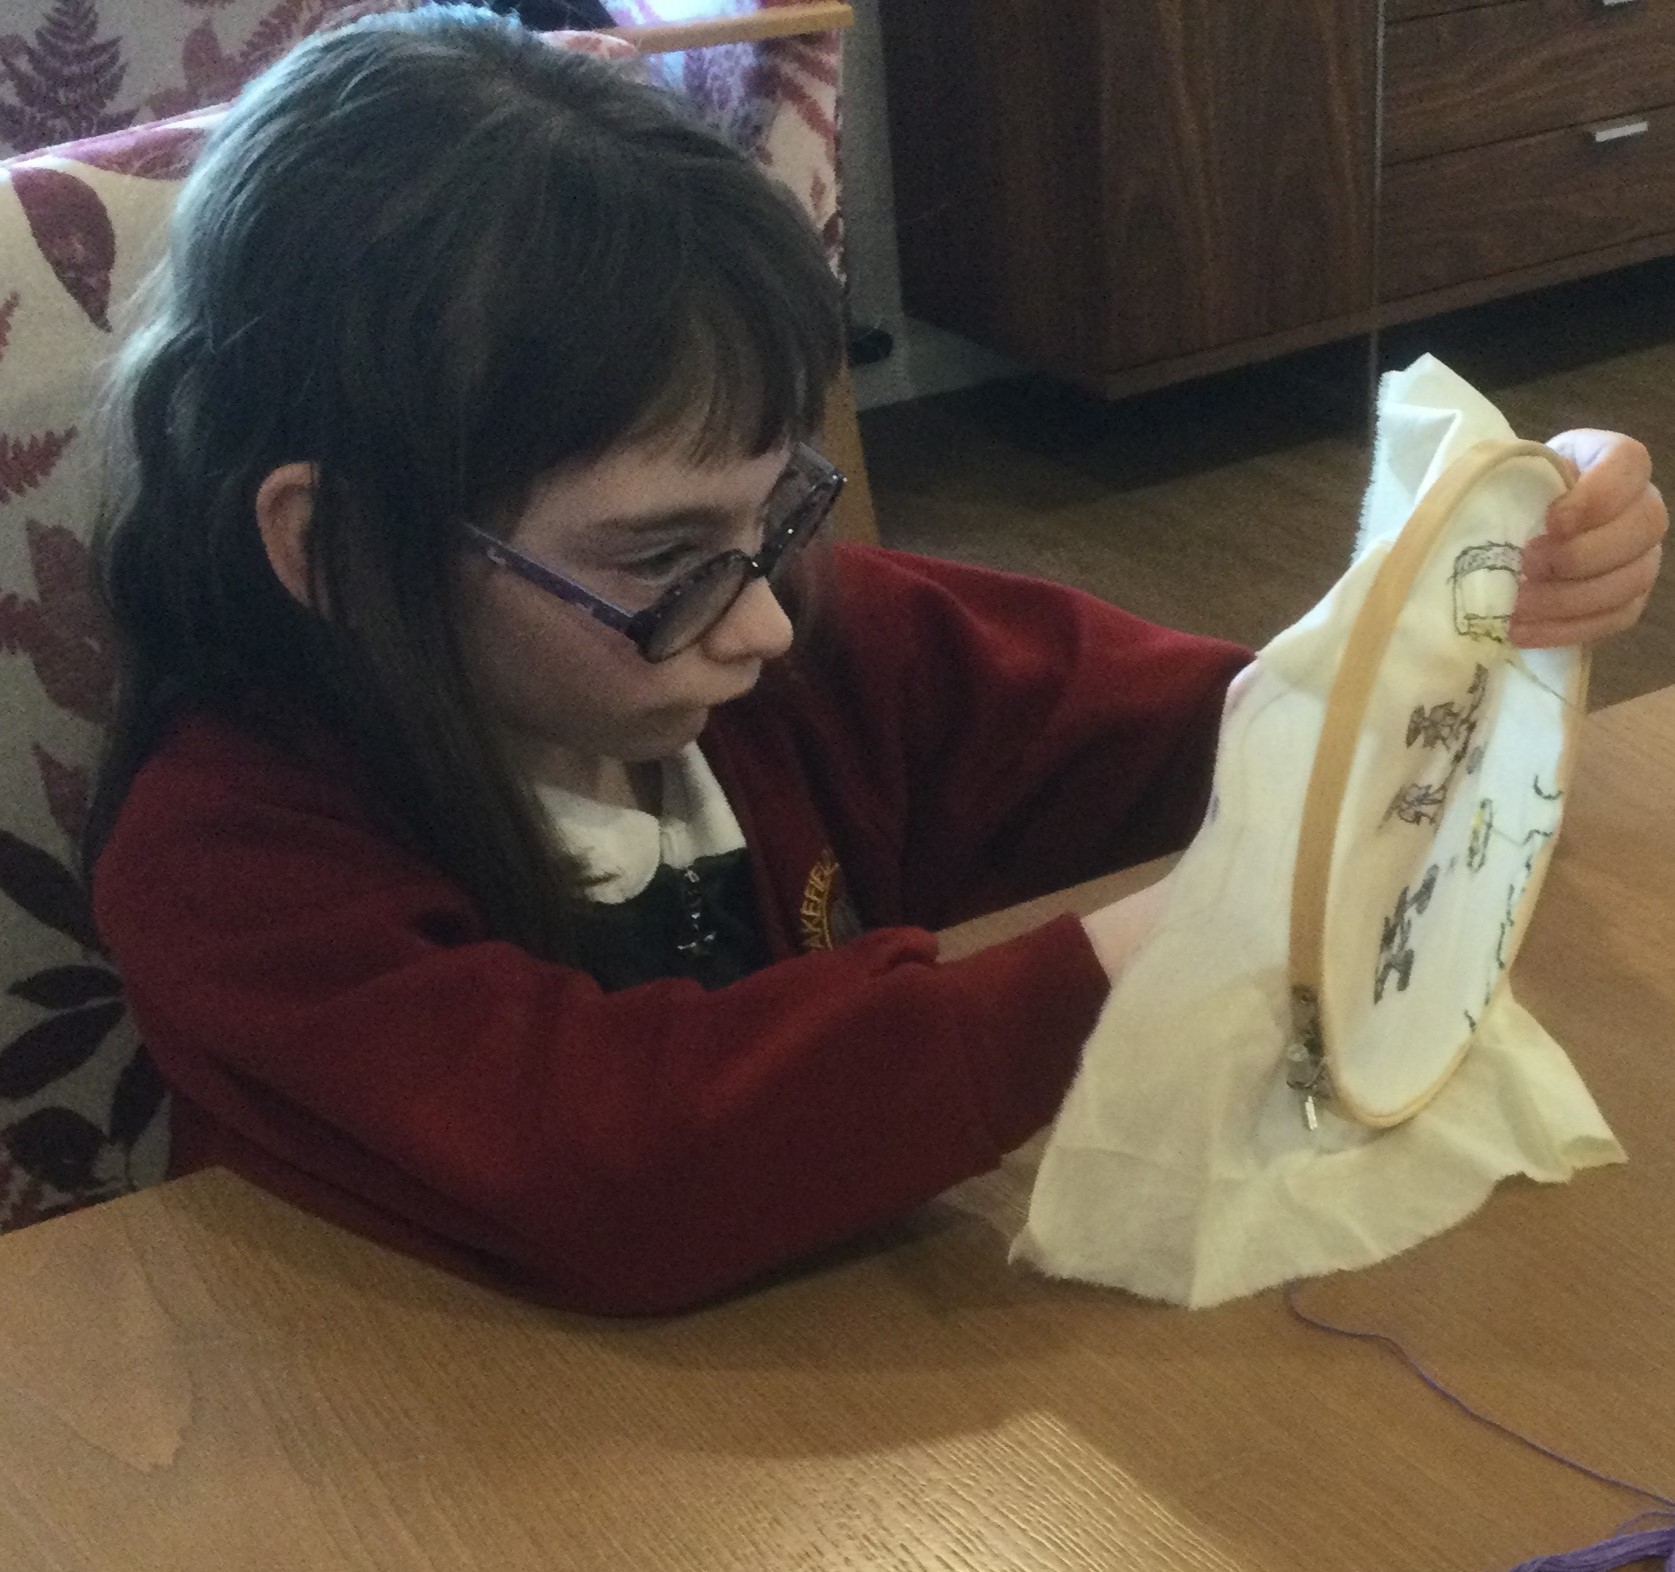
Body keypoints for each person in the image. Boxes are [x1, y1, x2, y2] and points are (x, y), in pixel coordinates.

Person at [86, 4, 1666, 1315]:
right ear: (334, 548)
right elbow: (611, 1168)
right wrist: (1128, 962)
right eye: (661, 557)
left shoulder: (811, 647)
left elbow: (1229, 731)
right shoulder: (228, 859)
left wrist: (1475, 585)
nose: (766, 618)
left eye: (778, 512)